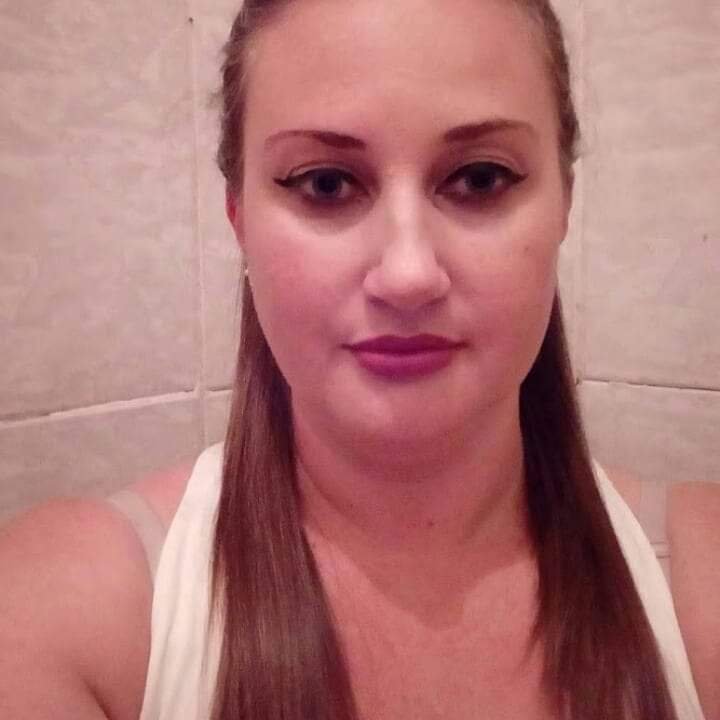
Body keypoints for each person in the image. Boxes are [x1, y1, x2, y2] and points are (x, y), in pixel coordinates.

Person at [0, 0, 718, 718]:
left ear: (565, 201)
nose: (408, 275)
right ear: (238, 217)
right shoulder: (62, 613)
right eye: (326, 183)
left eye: (479, 178)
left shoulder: (704, 584)